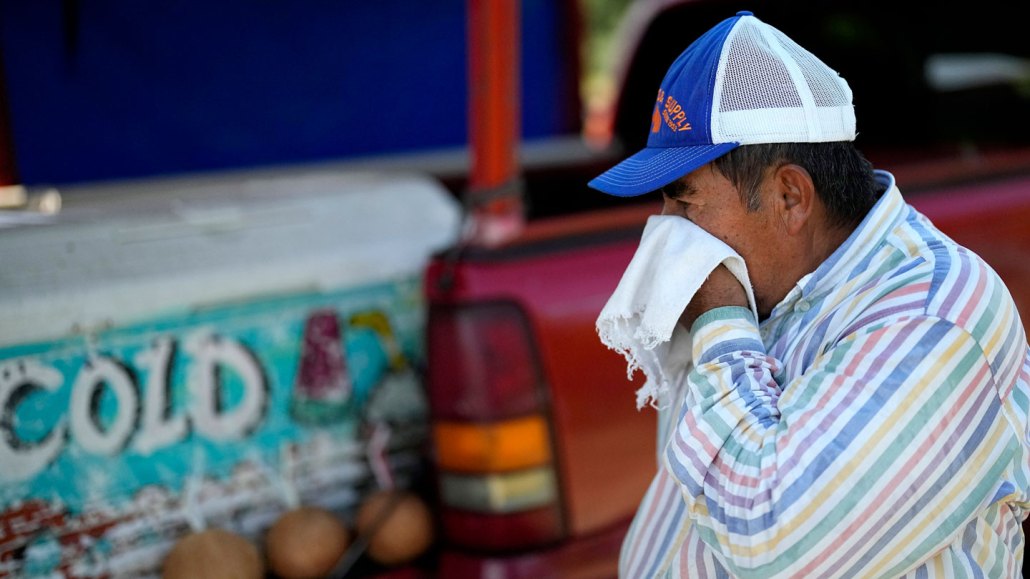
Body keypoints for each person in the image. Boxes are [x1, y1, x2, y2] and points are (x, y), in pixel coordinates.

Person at [589, 11, 1030, 578]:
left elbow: (772, 546)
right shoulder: (759, 285)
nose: (667, 229)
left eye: (684, 197)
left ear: (790, 197)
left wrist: (719, 321)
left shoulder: (935, 315)